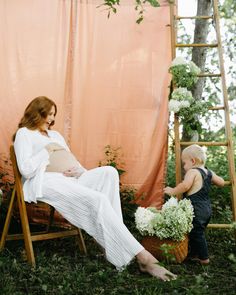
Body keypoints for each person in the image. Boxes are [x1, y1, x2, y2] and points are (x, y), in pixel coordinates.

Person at [13, 96, 176, 281]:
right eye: (49, 114)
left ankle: (112, 244)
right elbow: (25, 169)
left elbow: (70, 157)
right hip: (47, 181)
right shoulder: (24, 134)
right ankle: (143, 256)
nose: (52, 119)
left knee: (109, 172)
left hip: (71, 178)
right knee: (98, 199)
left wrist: (79, 170)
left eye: (54, 115)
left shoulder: (55, 135)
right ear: (37, 112)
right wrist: (46, 150)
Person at [164, 144, 224, 265]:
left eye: (184, 163)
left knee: (197, 233)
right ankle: (195, 253)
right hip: (207, 208)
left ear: (192, 161)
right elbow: (222, 182)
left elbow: (185, 185)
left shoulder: (193, 172)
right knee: (197, 232)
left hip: (196, 208)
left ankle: (204, 258)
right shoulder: (208, 172)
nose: (184, 167)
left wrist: (172, 191)